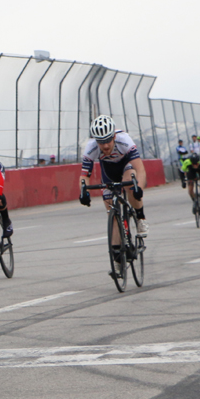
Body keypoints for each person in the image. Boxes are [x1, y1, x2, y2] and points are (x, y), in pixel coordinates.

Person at [78, 116, 149, 280]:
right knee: (112, 211)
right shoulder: (91, 148)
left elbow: (141, 170)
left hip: (126, 166)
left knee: (130, 182)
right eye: (100, 141)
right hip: (108, 172)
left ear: (114, 136)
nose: (105, 145)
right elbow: (84, 175)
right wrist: (83, 192)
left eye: (108, 140)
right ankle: (117, 262)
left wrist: (139, 189)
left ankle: (140, 217)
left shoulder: (125, 141)